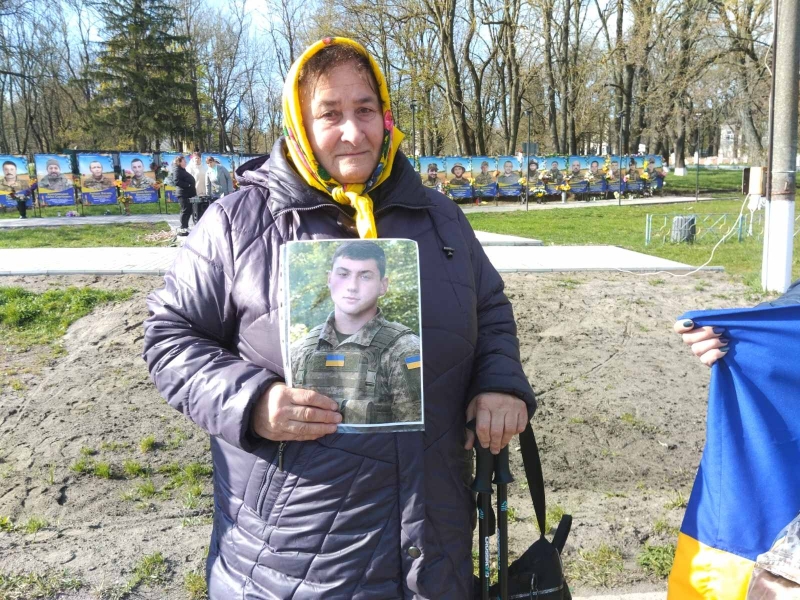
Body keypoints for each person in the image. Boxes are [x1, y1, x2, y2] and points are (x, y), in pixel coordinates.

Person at [143, 37, 534, 599]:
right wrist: (253, 402)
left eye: (365, 109)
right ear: (300, 124)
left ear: (385, 116)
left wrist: (499, 383)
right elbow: (169, 336)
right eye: (330, 114)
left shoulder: (441, 219)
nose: (353, 132)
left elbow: (490, 309)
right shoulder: (237, 223)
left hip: (434, 543)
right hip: (294, 559)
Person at [291, 241, 421, 425]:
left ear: (383, 285)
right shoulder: (300, 351)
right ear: (329, 279)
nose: (352, 286)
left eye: (365, 276)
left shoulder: (404, 350)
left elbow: (414, 434)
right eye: (343, 274)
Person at [168, 155, 195, 236]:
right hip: (183, 194)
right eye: (184, 161)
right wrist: (188, 185)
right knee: (185, 210)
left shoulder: (182, 169)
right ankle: (183, 227)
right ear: (179, 162)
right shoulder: (177, 170)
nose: (186, 162)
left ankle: (186, 226)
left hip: (188, 194)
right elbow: (176, 181)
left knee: (189, 210)